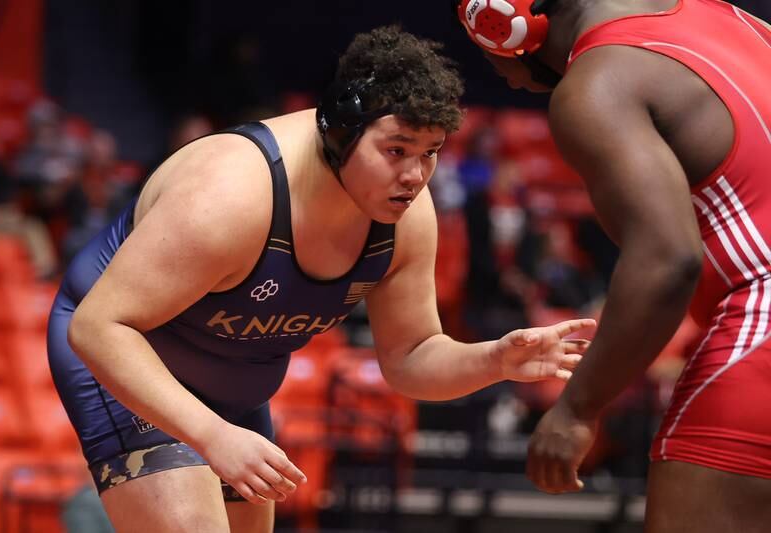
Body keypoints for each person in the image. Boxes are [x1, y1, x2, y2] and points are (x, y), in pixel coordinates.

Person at [49, 25, 595, 533]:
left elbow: (410, 357)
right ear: (339, 130)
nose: (414, 175)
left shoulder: (408, 214)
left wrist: (494, 360)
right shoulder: (229, 196)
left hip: (234, 381)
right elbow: (100, 326)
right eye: (396, 150)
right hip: (127, 356)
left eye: (430, 153)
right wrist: (211, 434)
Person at [454, 0, 771, 531]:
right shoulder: (735, 18)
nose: (503, 80)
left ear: (502, 20)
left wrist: (577, 408)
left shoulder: (597, 82)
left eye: (488, 59)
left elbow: (667, 260)